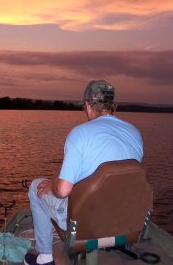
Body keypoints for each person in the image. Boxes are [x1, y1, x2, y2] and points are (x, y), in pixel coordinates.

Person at [24, 80, 143, 265]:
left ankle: (44, 257)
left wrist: (53, 185)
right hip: (123, 220)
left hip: (84, 225)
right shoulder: (135, 133)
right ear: (114, 107)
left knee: (35, 187)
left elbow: (62, 191)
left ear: (87, 106)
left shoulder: (80, 133)